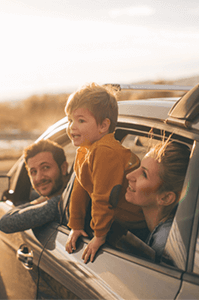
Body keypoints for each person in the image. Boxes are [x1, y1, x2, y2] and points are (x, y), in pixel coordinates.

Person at [64, 82, 145, 263]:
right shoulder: (86, 150)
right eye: (70, 120)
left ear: (103, 126)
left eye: (81, 120)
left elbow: (103, 197)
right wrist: (76, 225)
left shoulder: (104, 151)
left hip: (134, 223)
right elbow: (80, 187)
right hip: (118, 219)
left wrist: (99, 236)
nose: (72, 127)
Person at [124, 139, 191, 262]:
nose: (129, 176)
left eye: (144, 174)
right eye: (138, 167)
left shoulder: (163, 245)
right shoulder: (167, 230)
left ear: (165, 198)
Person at [0, 139, 70, 233]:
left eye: (45, 167)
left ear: (63, 168)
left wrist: (39, 201)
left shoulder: (61, 203)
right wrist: (41, 200)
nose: (39, 178)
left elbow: (5, 223)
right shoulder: (63, 197)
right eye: (33, 172)